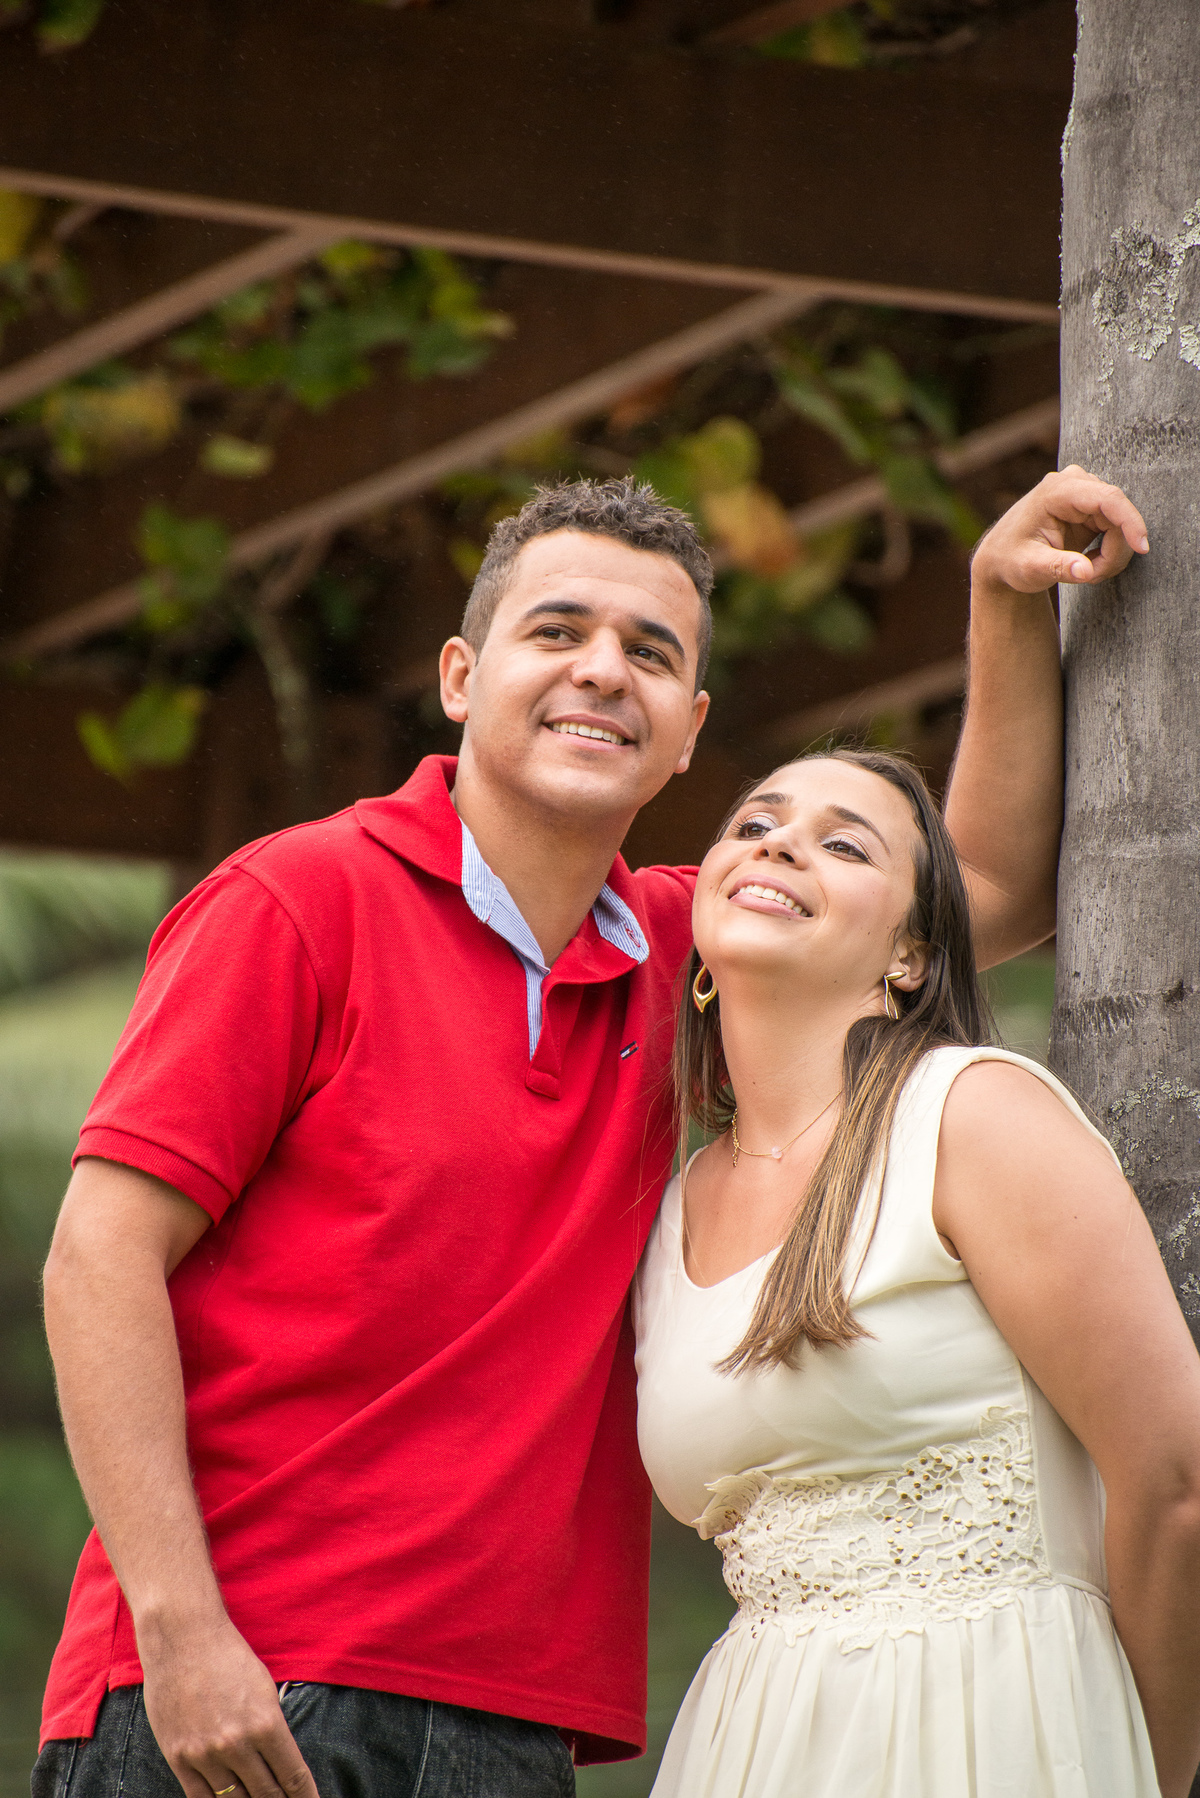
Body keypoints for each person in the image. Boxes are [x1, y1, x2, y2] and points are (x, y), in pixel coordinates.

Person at [36, 469, 1147, 1798]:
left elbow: (986, 891)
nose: (603, 671)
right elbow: (97, 1257)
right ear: (461, 677)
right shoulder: (297, 901)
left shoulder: (701, 954)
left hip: (514, 1722)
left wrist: (1000, 601)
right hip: (239, 1688)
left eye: (651, 652)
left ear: (688, 732)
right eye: (557, 633)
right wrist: (178, 1628)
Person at [634, 746, 1200, 1798]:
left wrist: (1145, 1769)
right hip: (752, 1739)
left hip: (993, 1725)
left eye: (844, 843)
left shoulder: (972, 1114)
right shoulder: (672, 1206)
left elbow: (1176, 1486)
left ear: (910, 953)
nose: (781, 843)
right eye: (756, 824)